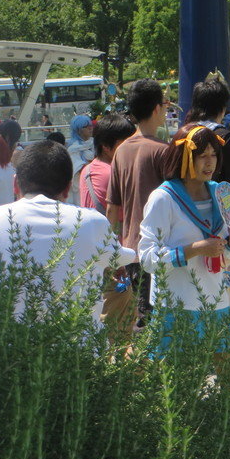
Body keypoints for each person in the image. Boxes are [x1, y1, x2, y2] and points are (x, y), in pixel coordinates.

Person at [0, 140, 135, 321]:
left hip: (7, 347)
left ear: (16, 184)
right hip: (80, 348)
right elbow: (121, 263)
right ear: (67, 188)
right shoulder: (93, 222)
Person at [139, 124, 230, 374]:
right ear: (184, 157)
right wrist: (194, 249)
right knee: (174, 386)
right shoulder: (163, 198)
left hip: (216, 300)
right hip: (177, 305)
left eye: (214, 155)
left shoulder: (220, 193)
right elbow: (146, 258)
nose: (210, 163)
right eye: (202, 156)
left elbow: (229, 250)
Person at [107, 79, 173, 329]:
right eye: (165, 105)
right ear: (157, 108)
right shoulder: (163, 150)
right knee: (153, 321)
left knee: (140, 317)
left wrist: (113, 252)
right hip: (158, 249)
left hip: (129, 249)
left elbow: (112, 208)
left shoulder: (121, 150)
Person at [79, 114, 137, 344]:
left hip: (96, 254)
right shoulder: (111, 173)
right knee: (117, 320)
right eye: (125, 144)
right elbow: (123, 212)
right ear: (106, 146)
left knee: (111, 313)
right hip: (113, 259)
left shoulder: (87, 170)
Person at [185, 76, 230, 246]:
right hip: (219, 216)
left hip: (186, 211)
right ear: (222, 108)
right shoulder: (223, 136)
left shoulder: (183, 134)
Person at [67, 115, 95, 205]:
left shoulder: (94, 143)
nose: (90, 128)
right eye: (86, 127)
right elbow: (77, 168)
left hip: (95, 184)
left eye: (91, 126)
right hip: (80, 186)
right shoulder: (73, 148)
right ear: (78, 130)